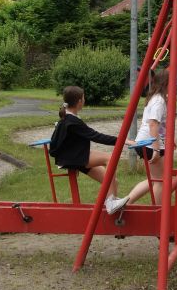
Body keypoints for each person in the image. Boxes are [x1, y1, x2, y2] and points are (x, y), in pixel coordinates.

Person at [105, 67, 170, 215]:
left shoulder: (156, 98)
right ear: (166, 83)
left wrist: (167, 140)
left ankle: (124, 203)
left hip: (147, 142)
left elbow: (159, 125)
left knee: (155, 180)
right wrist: (156, 149)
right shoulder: (158, 101)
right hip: (149, 143)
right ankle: (161, 214)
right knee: (161, 181)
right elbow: (153, 124)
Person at [49, 85, 127, 200]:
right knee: (110, 158)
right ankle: (111, 201)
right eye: (84, 98)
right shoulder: (72, 121)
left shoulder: (68, 117)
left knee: (113, 181)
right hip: (74, 158)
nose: (84, 100)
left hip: (75, 156)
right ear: (80, 101)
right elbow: (95, 136)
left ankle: (112, 209)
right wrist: (121, 141)